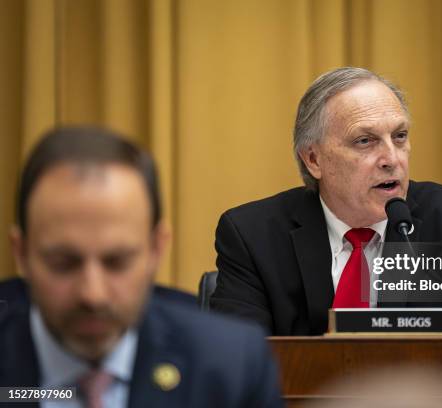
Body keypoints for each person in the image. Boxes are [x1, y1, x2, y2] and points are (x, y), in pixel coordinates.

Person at [0, 127, 283, 408]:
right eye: (63, 264)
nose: (92, 294)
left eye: (117, 262)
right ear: (21, 253)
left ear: (156, 249)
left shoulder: (231, 365)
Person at [211, 67, 442, 336]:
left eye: (399, 136)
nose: (392, 159)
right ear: (313, 159)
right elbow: (237, 364)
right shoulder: (252, 236)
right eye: (365, 141)